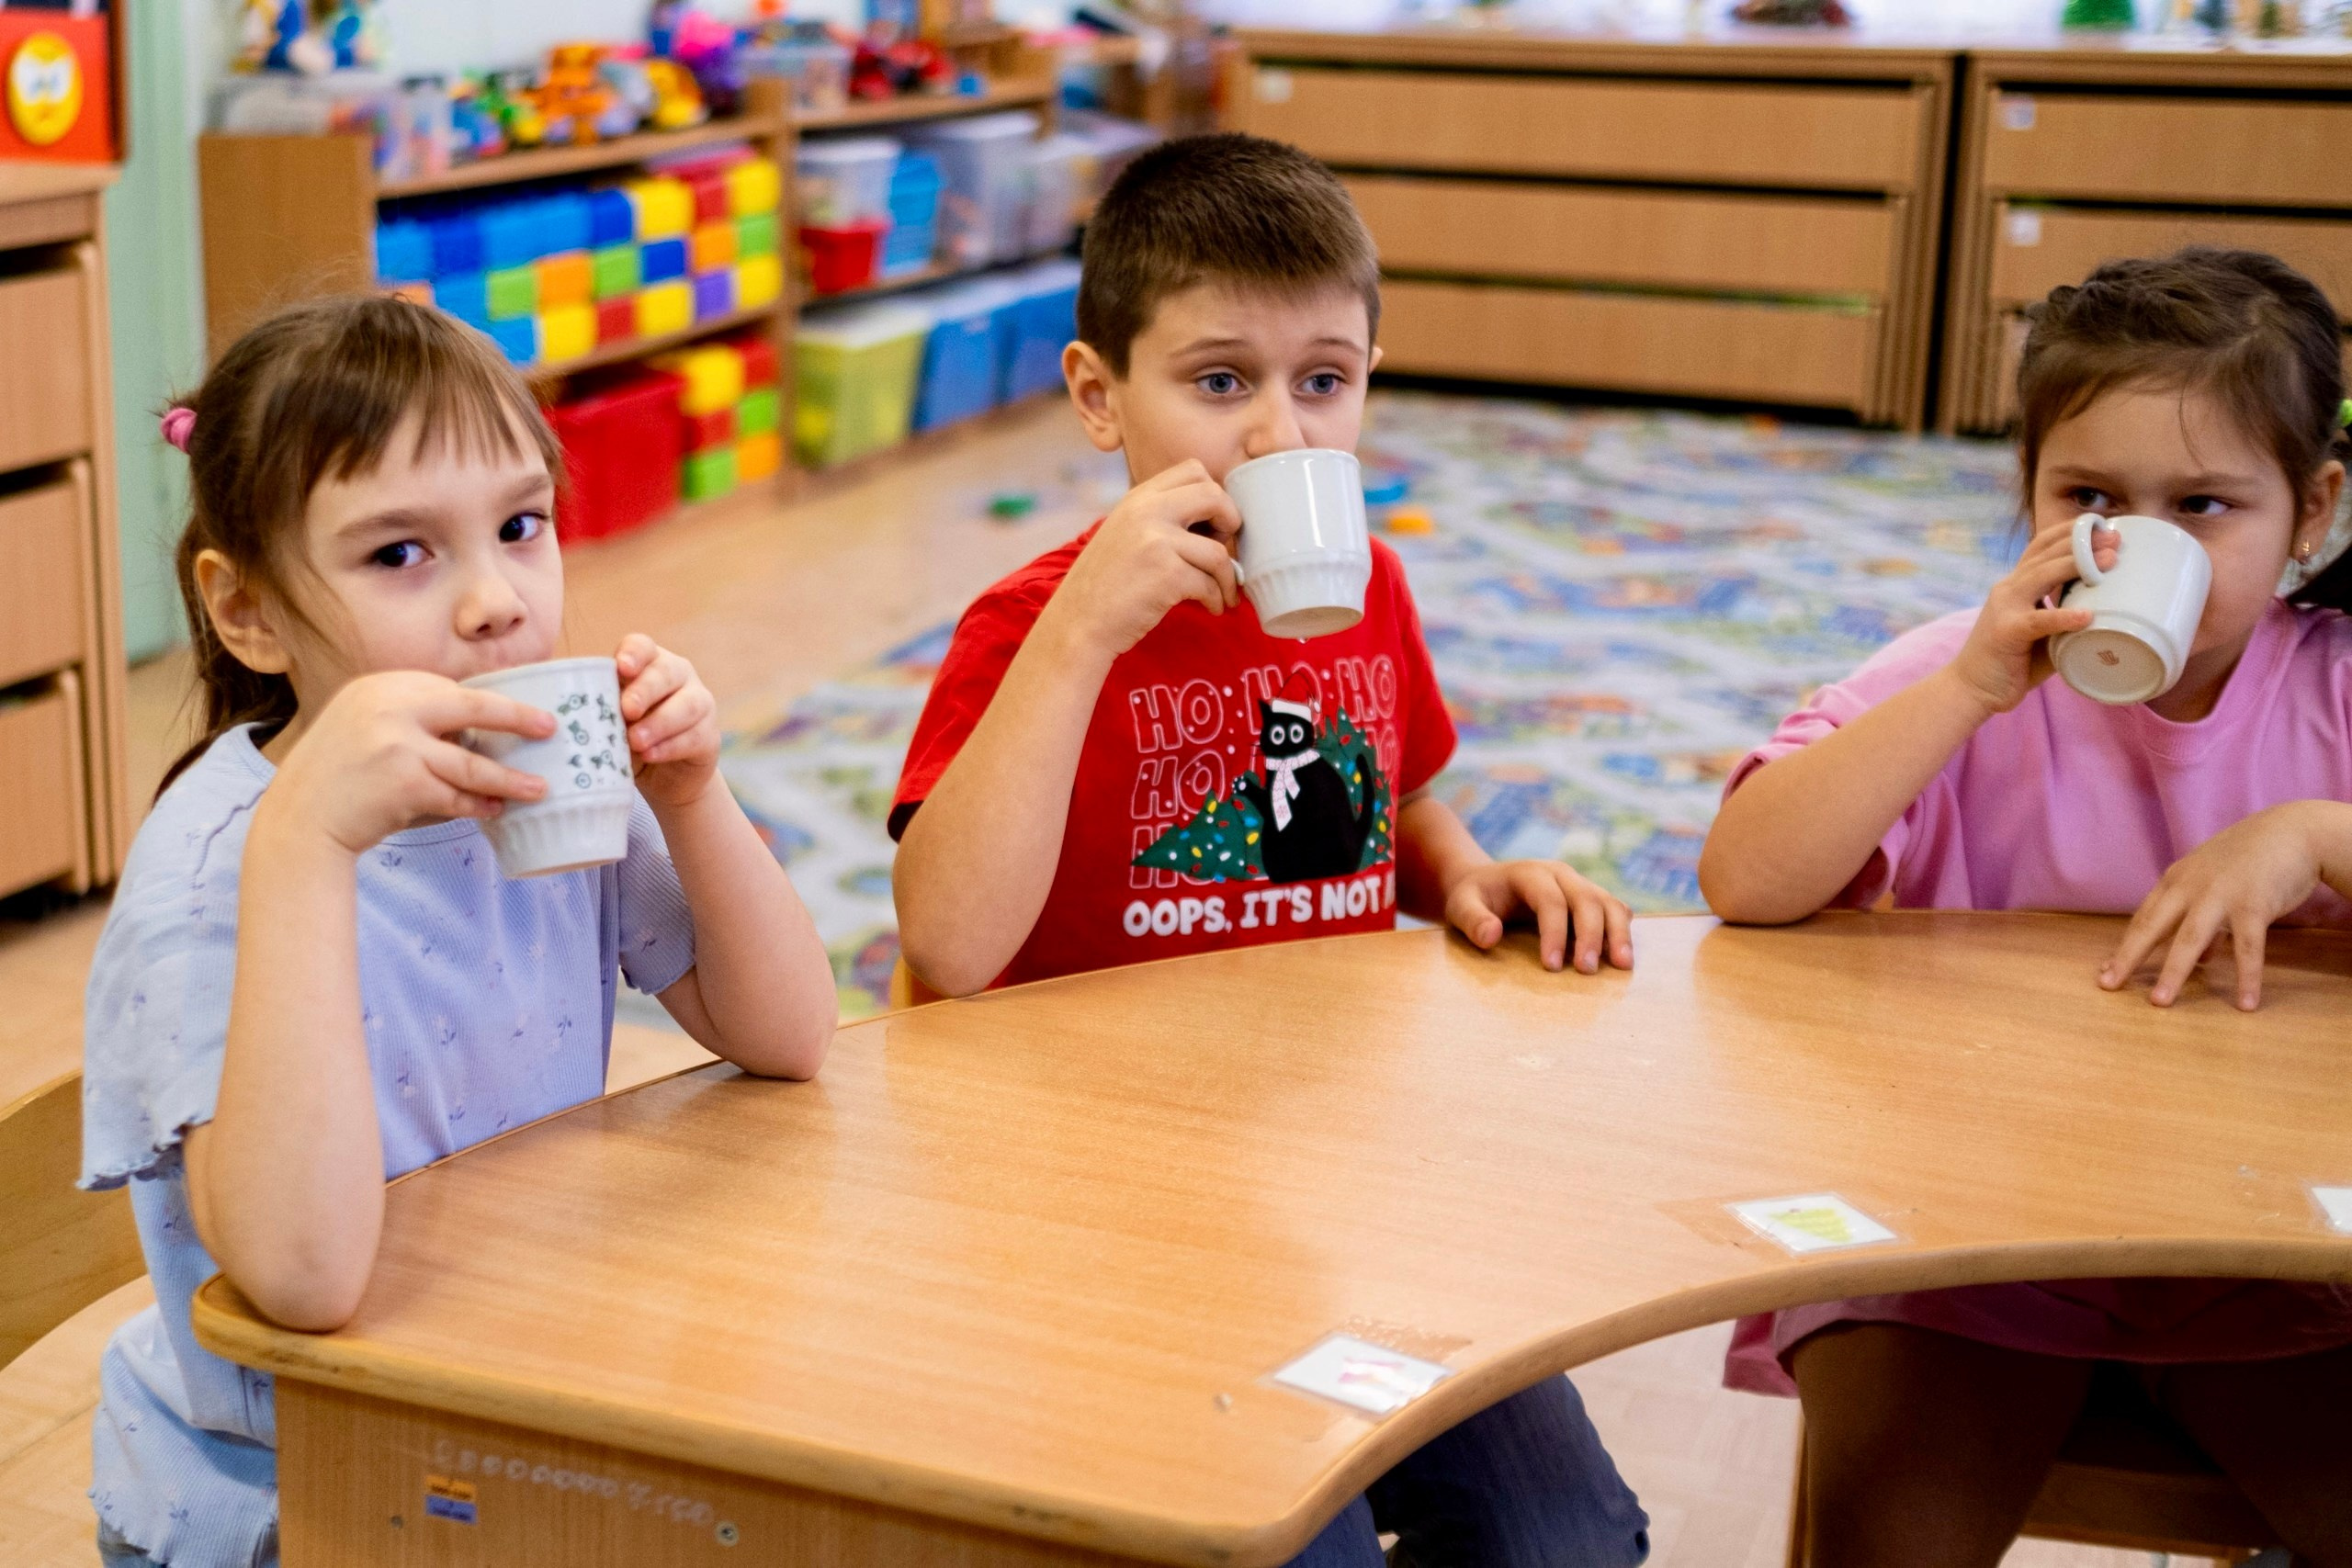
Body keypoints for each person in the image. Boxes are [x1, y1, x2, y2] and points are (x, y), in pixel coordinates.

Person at [889, 133, 1649, 1568]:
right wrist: (1079, 641)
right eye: (1222, 382)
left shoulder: (1372, 589)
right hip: (1097, 1199)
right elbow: (946, 941)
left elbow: (1397, 802)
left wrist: (1465, 872)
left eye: (1326, 382)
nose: (1283, 437)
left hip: (1338, 1174)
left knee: (1570, 1540)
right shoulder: (1027, 626)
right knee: (1292, 1547)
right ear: (1100, 399)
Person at [79, 297, 837, 1568]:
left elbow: (790, 1035)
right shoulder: (216, 874)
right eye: (400, 555)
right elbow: (303, 1283)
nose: (496, 601)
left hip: (506, 1390)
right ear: (249, 610)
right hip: (291, 1489)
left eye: (521, 527)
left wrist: (694, 795)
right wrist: (312, 847)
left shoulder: (536, 772)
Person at [1699, 248, 2352, 1567]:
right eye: (2093, 497)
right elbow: (1746, 883)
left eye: (2207, 505)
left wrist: (2317, 835)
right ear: (2032, 497)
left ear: (2313, 511)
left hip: (2273, 1267)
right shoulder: (1967, 671)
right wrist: (1962, 699)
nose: (2142, 543)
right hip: (1962, 1259)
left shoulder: (2331, 691)